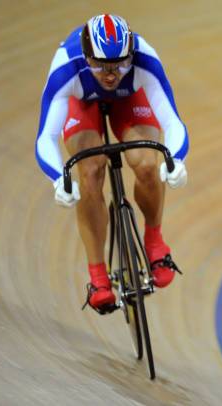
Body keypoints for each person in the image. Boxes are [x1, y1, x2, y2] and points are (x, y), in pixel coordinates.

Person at [35, 14, 188, 312]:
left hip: (129, 100)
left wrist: (176, 159)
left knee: (146, 162)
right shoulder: (66, 67)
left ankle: (155, 242)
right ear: (86, 57)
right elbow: (46, 136)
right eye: (100, 66)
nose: (109, 75)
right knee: (90, 170)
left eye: (119, 65)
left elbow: (173, 122)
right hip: (83, 103)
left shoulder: (145, 61)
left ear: (131, 55)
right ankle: (98, 276)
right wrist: (58, 178)